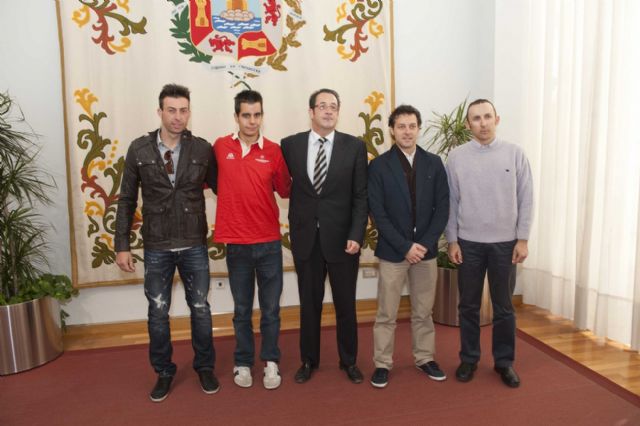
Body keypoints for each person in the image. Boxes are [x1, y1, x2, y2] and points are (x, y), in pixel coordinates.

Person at [114, 84, 219, 402]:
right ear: (159, 111)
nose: (177, 117)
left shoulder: (202, 149)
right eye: (171, 110)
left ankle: (205, 367)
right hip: (157, 245)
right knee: (158, 312)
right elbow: (127, 199)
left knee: (200, 308)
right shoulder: (139, 149)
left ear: (189, 112)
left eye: (183, 110)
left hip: (193, 242)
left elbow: (224, 189)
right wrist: (122, 245)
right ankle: (163, 371)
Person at [281, 88, 368, 384]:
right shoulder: (290, 145)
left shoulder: (354, 147)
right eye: (322, 106)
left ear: (338, 112)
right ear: (311, 111)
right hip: (306, 239)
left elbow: (361, 196)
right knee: (309, 305)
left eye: (333, 106)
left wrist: (357, 234)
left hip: (344, 241)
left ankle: (349, 361)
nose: (328, 111)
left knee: (346, 305)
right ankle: (308, 360)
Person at [445, 99, 533, 388]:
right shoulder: (456, 157)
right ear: (468, 124)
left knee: (504, 307)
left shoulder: (515, 154)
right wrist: (452, 240)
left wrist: (522, 239)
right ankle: (469, 358)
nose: (482, 123)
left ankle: (504, 362)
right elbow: (450, 201)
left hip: (505, 245)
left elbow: (526, 198)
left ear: (497, 119)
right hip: (468, 243)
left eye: (487, 117)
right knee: (468, 306)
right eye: (476, 118)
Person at [211, 90, 291, 390]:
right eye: (246, 115)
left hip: (269, 243)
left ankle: (271, 361)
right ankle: (243, 362)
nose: (252, 121)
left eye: (257, 115)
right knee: (242, 310)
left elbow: (285, 190)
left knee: (271, 310)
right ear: (236, 116)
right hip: (237, 245)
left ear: (262, 116)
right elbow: (211, 181)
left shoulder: (274, 151)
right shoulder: (220, 147)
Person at [367, 105, 450, 388]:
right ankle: (382, 363)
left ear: (418, 129)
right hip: (393, 252)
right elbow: (378, 213)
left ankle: (425, 358)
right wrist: (405, 247)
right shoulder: (379, 166)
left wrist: (424, 244)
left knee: (424, 311)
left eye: (412, 126)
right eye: (401, 126)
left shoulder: (434, 163)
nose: (407, 131)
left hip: (426, 252)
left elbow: (443, 208)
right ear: (392, 130)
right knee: (386, 313)